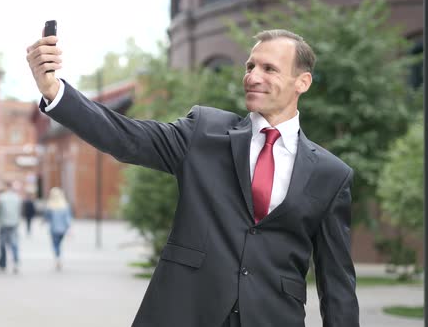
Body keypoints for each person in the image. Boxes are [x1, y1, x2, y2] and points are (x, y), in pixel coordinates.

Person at [26, 29, 359, 327]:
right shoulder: (204, 132)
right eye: (250, 66)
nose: (253, 76)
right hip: (185, 312)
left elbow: (337, 285)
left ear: (302, 82)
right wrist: (54, 90)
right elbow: (125, 137)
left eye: (269, 69)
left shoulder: (330, 175)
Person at [0, 181, 22, 273]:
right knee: (14, 243)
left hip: (3, 223)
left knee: (2, 244)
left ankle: (3, 263)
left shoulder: (1, 198)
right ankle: (15, 262)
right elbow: (19, 211)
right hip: (14, 223)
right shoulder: (17, 197)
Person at [43, 187, 72, 271]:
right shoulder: (65, 205)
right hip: (63, 229)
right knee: (59, 244)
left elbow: (47, 217)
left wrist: (43, 222)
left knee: (55, 244)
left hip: (54, 229)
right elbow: (68, 218)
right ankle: (58, 257)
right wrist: (69, 228)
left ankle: (57, 258)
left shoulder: (50, 205)